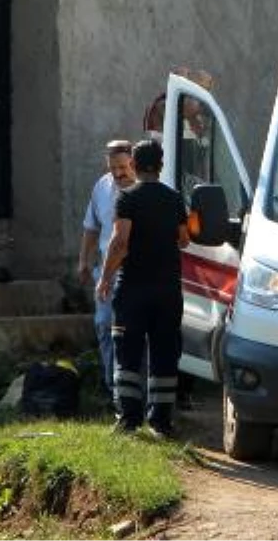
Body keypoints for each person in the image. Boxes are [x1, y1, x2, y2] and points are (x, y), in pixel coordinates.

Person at [97, 138, 190, 436]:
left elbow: (120, 241)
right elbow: (185, 239)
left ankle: (128, 420)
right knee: (164, 352)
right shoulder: (174, 198)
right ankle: (161, 422)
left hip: (133, 289)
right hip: (167, 291)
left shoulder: (128, 198)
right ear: (161, 167)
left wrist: (105, 277)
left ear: (134, 165)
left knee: (127, 352)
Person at [76, 139, 137, 404]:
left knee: (130, 329)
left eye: (123, 167)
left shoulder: (145, 188)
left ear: (133, 162)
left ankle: (133, 389)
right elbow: (91, 227)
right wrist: (83, 261)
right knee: (103, 324)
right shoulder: (102, 186)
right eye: (113, 168)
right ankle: (112, 386)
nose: (118, 174)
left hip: (137, 269)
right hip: (106, 268)